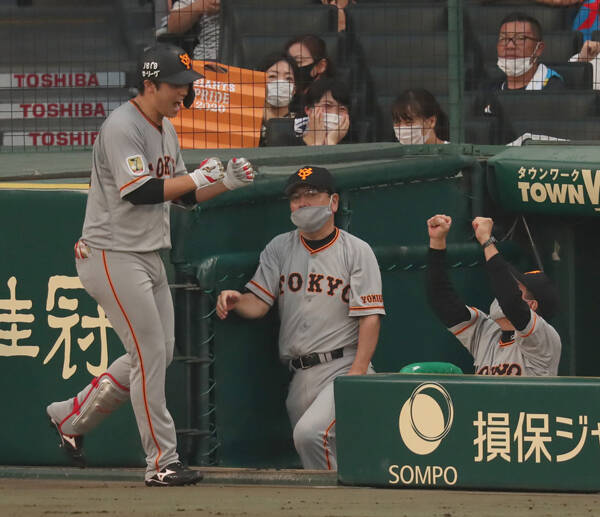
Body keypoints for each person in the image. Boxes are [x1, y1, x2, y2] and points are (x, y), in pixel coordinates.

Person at [45, 43, 255, 487]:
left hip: (147, 253)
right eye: (176, 86)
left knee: (158, 354)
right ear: (151, 84)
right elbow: (138, 190)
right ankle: (162, 461)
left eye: (187, 85)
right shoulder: (123, 125)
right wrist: (199, 176)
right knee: (149, 357)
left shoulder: (166, 129)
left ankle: (70, 416)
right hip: (112, 253)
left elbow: (180, 195)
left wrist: (224, 183)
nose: (184, 93)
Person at [216, 166, 385, 470]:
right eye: (296, 197)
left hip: (342, 366)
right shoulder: (279, 248)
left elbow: (370, 318)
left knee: (310, 435)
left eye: (311, 194)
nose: (303, 202)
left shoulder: (357, 251)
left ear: (333, 202)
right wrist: (237, 299)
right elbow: (259, 303)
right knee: (326, 453)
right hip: (299, 376)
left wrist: (357, 375)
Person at [426, 214, 562, 376]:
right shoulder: (488, 331)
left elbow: (511, 303)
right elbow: (442, 300)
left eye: (515, 288)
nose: (503, 292)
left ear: (532, 305)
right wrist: (437, 243)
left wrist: (487, 241)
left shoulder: (544, 337)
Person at [491, 12, 565, 92]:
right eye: (503, 38)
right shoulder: (489, 88)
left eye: (520, 38)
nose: (510, 46)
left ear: (539, 49)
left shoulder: (553, 88)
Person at [258, 53, 301, 146]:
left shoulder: (301, 124)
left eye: (288, 78)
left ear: (295, 89)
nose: (281, 82)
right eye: (272, 76)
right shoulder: (248, 120)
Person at [300, 78, 351, 146]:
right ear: (308, 110)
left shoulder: (352, 148)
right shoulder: (287, 142)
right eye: (327, 105)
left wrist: (331, 142)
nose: (334, 113)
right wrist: (317, 143)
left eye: (342, 109)